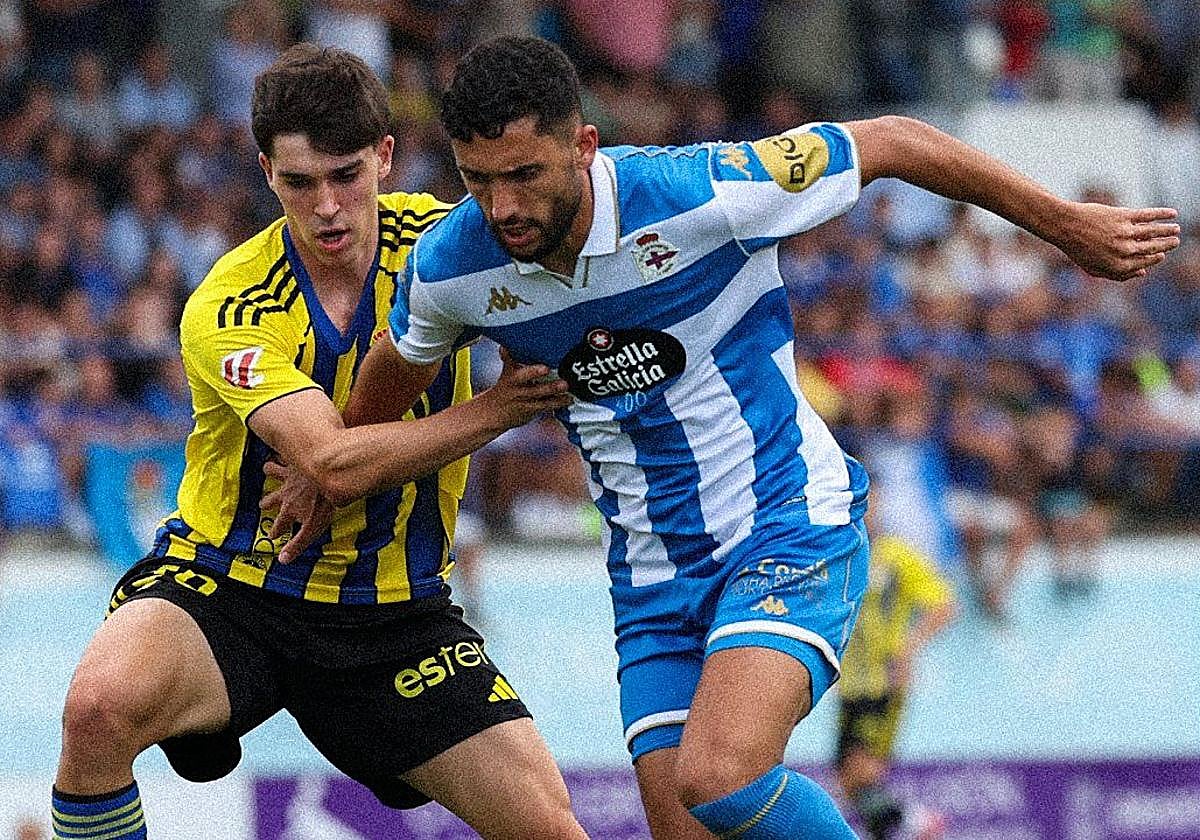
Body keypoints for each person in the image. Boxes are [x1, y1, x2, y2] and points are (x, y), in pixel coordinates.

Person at [278, 36, 1180, 840]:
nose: (502, 206)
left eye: (525, 176)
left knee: (721, 776)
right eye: (479, 180)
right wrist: (328, 472)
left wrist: (1069, 227)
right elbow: (400, 363)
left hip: (783, 524)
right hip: (650, 576)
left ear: (582, 145)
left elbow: (897, 142)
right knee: (688, 823)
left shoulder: (701, 191)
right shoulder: (455, 265)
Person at [51, 44, 585, 840]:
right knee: (95, 710)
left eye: (347, 175)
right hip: (231, 586)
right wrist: (499, 407)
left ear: (385, 156)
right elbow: (329, 461)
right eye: (300, 183)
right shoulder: (230, 300)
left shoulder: (451, 247)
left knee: (549, 827)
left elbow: (578, 253)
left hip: (396, 612)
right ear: (266, 171)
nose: (328, 206)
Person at [835, 508, 956, 840]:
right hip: (850, 684)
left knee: (861, 769)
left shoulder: (896, 555)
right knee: (848, 778)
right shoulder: (841, 551)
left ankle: (918, 823)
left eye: (874, 503)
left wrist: (910, 645)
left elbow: (944, 604)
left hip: (883, 681)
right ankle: (910, 826)